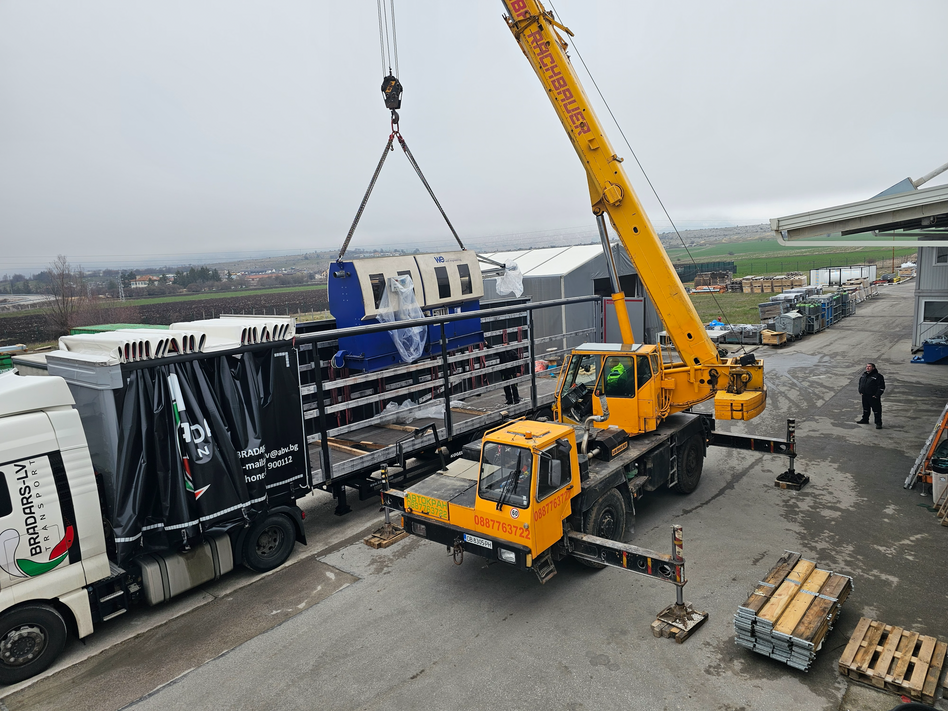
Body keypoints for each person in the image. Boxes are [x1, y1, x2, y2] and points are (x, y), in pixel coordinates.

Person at [857, 362, 886, 429]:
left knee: (876, 410)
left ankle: (878, 423)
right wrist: (860, 391)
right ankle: (865, 419)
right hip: (864, 395)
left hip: (873, 396)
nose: (867, 367)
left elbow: (881, 387)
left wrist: (876, 395)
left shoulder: (878, 376)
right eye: (867, 366)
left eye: (869, 366)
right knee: (866, 409)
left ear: (873, 368)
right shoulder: (864, 375)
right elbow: (860, 383)